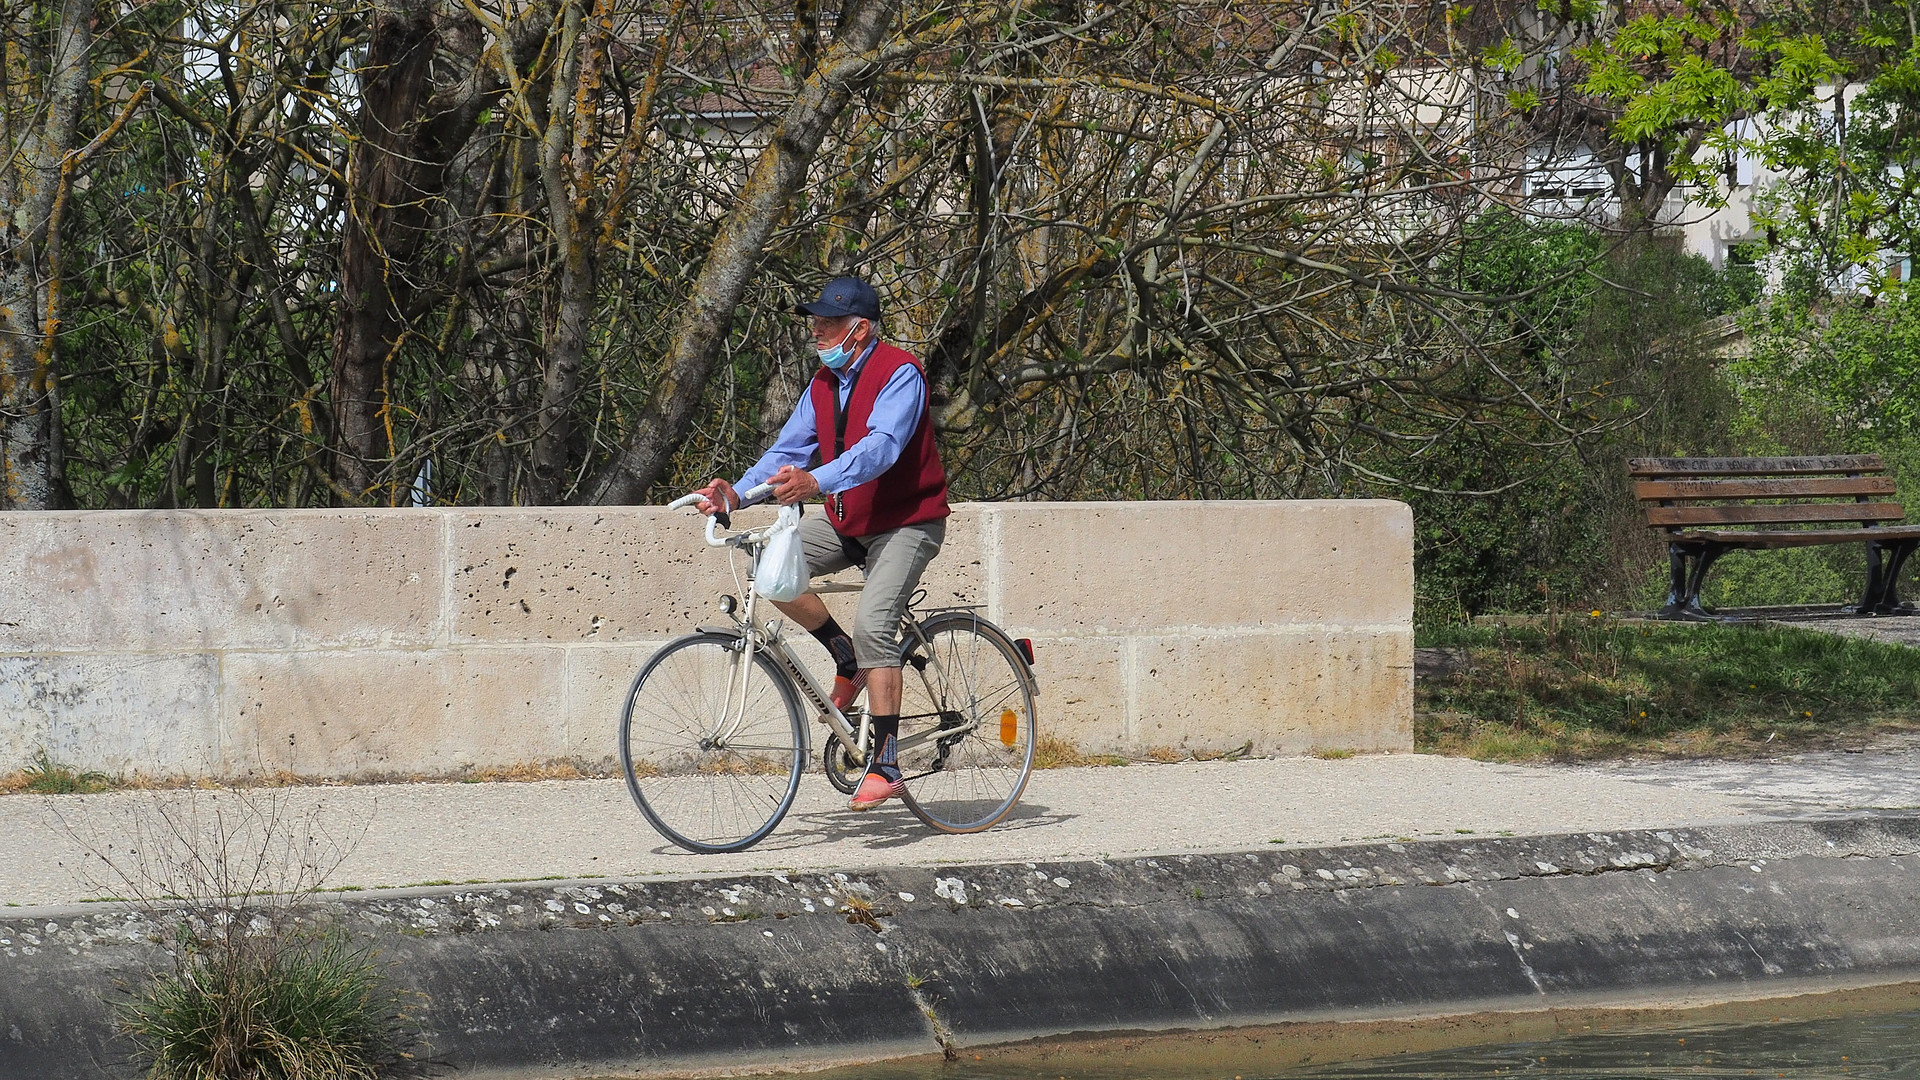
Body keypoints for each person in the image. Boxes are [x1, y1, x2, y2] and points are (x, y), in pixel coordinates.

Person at [696, 276, 950, 812]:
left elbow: (881, 448)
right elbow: (788, 449)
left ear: (859, 330)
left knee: (875, 622)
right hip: (848, 520)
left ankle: (886, 762)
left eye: (827, 324)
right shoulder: (822, 385)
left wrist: (817, 482)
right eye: (814, 323)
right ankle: (845, 656)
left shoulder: (899, 374)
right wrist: (736, 495)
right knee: (772, 565)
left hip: (906, 523)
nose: (817, 332)